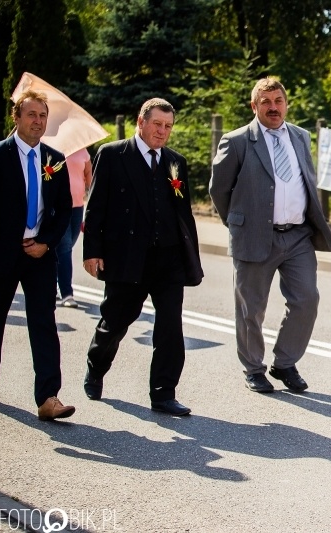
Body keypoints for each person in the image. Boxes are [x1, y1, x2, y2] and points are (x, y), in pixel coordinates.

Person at [210, 78, 331, 394]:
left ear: (286, 103)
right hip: (254, 236)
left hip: (297, 237)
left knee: (307, 299)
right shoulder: (237, 141)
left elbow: (305, 180)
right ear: (254, 106)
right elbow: (219, 190)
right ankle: (253, 368)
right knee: (251, 308)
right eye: (265, 102)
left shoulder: (300, 136)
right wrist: (238, 223)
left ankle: (285, 363)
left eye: (278, 101)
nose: (273, 107)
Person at [82, 98, 203, 416]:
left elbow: (182, 211)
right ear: (141, 122)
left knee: (169, 327)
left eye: (168, 126)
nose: (162, 132)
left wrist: (190, 256)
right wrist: (92, 250)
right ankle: (96, 367)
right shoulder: (112, 155)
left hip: (167, 259)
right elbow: (95, 207)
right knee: (116, 321)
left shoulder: (175, 163)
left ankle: (163, 393)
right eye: (157, 124)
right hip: (127, 257)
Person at [0, 90, 75, 420]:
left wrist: (45, 242)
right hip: (1, 253)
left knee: (44, 322)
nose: (38, 121)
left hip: (40, 254)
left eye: (42, 116)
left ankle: (48, 397)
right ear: (17, 117)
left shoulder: (54, 159)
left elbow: (63, 209)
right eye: (31, 114)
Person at [56, 147, 92, 308]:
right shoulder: (50, 150)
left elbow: (90, 177)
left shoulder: (82, 151)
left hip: (77, 206)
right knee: (64, 249)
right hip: (57, 207)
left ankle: (52, 281)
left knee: (68, 245)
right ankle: (67, 293)